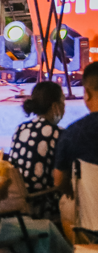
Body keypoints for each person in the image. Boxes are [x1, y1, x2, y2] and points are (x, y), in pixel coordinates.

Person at [10, 80, 66, 222]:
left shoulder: (20, 129)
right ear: (55, 107)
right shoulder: (58, 134)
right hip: (44, 203)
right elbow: (62, 179)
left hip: (19, 203)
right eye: (63, 102)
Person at [54, 63, 98, 208]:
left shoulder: (71, 133)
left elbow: (60, 182)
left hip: (89, 224)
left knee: (67, 204)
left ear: (87, 94)